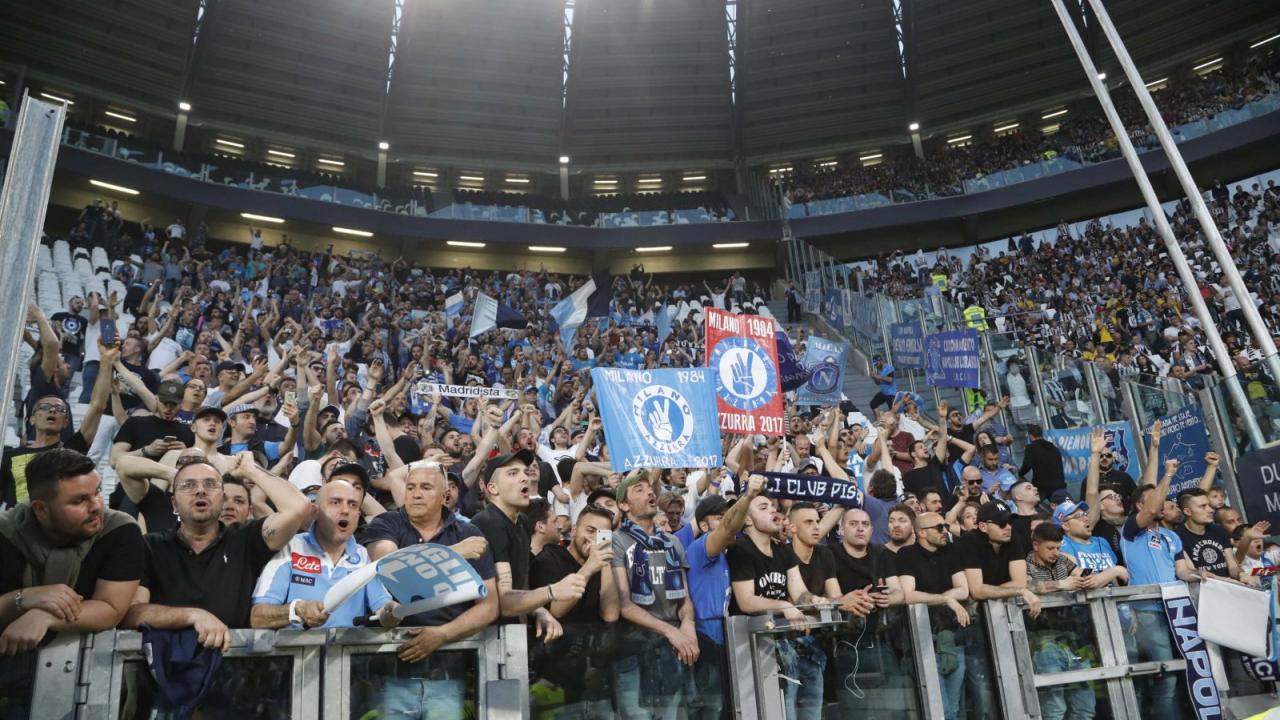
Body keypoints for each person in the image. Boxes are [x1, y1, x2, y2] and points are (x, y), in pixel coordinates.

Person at [121, 454, 311, 647]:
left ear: (222, 498)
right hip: (163, 670)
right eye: (188, 485)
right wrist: (192, 616)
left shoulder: (246, 539)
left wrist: (250, 470)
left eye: (210, 484)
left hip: (235, 666)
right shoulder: (151, 546)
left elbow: (298, 507)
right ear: (174, 504)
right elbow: (132, 613)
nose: (200, 491)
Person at [0, 449, 143, 655]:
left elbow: (111, 608)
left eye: (98, 492)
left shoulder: (119, 530)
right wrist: (23, 598)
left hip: (83, 660)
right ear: (41, 509)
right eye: (79, 501)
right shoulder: (6, 534)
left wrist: (45, 615)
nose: (96, 506)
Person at [1121, 421, 1203, 720]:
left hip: (1179, 610)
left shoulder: (1171, 536)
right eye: (1154, 500)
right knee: (1166, 676)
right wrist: (1167, 472)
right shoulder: (1131, 531)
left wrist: (1201, 576)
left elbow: (1182, 570)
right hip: (1148, 613)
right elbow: (1151, 505)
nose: (1161, 503)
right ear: (1139, 507)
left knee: (1192, 670)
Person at [251, 479, 399, 629]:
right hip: (297, 650)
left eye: (352, 505)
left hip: (348, 650)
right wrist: (297, 610)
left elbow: (383, 607)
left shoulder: (362, 556)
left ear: (358, 515)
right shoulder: (292, 548)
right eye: (336, 502)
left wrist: (391, 614)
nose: (345, 510)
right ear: (315, 512)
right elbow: (257, 617)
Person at [611, 470, 698, 719]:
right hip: (633, 649)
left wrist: (688, 623)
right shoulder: (616, 541)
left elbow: (684, 598)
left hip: (673, 649)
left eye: (650, 488)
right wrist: (673, 631)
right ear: (624, 505)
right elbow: (624, 604)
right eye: (638, 489)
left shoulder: (672, 542)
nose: (649, 491)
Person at [470, 449, 583, 642]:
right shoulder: (488, 522)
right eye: (513, 473)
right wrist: (551, 591)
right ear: (493, 489)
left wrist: (538, 610)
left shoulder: (522, 522)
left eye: (524, 472)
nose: (525, 478)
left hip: (511, 636)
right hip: (485, 641)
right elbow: (504, 601)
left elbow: (520, 587)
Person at [726, 490, 819, 720]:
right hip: (754, 645)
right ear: (747, 519)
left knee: (812, 705)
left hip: (786, 642)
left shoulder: (783, 550)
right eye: (763, 507)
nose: (773, 511)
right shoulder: (740, 549)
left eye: (772, 506)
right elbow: (746, 601)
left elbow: (799, 592)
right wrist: (784, 606)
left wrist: (814, 600)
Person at [683, 475, 764, 720]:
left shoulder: (726, 554)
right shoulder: (701, 548)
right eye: (719, 518)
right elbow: (730, 527)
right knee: (711, 708)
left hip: (723, 636)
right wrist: (748, 495)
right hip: (704, 636)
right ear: (704, 526)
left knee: (724, 708)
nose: (729, 522)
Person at [528, 504, 619, 714]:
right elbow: (556, 611)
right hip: (552, 673)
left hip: (590, 673)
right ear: (575, 529)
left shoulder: (599, 566)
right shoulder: (549, 558)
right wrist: (589, 568)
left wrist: (603, 564)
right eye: (590, 531)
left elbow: (611, 615)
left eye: (602, 534)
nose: (594, 539)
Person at [2, 340, 115, 509]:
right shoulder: (8, 456)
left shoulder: (70, 451)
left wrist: (106, 361)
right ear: (32, 419)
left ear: (66, 422)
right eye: (45, 407)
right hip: (17, 530)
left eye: (59, 409)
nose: (52, 411)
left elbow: (98, 406)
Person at [895, 511, 970, 720]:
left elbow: (963, 590)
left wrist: (944, 598)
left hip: (954, 637)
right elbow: (908, 595)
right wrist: (946, 599)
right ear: (921, 533)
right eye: (939, 528)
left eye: (945, 526)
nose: (945, 531)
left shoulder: (951, 551)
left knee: (953, 709)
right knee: (940, 710)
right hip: (923, 640)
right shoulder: (906, 554)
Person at [1024, 523, 1096, 720]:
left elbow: (1080, 574)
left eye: (1058, 547)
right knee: (1054, 710)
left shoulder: (1063, 561)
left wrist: (1089, 580)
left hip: (1075, 638)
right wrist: (1062, 585)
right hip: (1043, 641)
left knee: (1085, 709)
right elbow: (1028, 585)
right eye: (1050, 548)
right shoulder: (1025, 564)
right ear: (1036, 545)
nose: (1056, 552)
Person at [1018, 425, 1066, 500]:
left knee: (1032, 505)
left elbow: (1027, 465)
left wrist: (1020, 474)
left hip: (1041, 486)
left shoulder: (1031, 448)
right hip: (1058, 484)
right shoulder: (1053, 447)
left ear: (1030, 435)